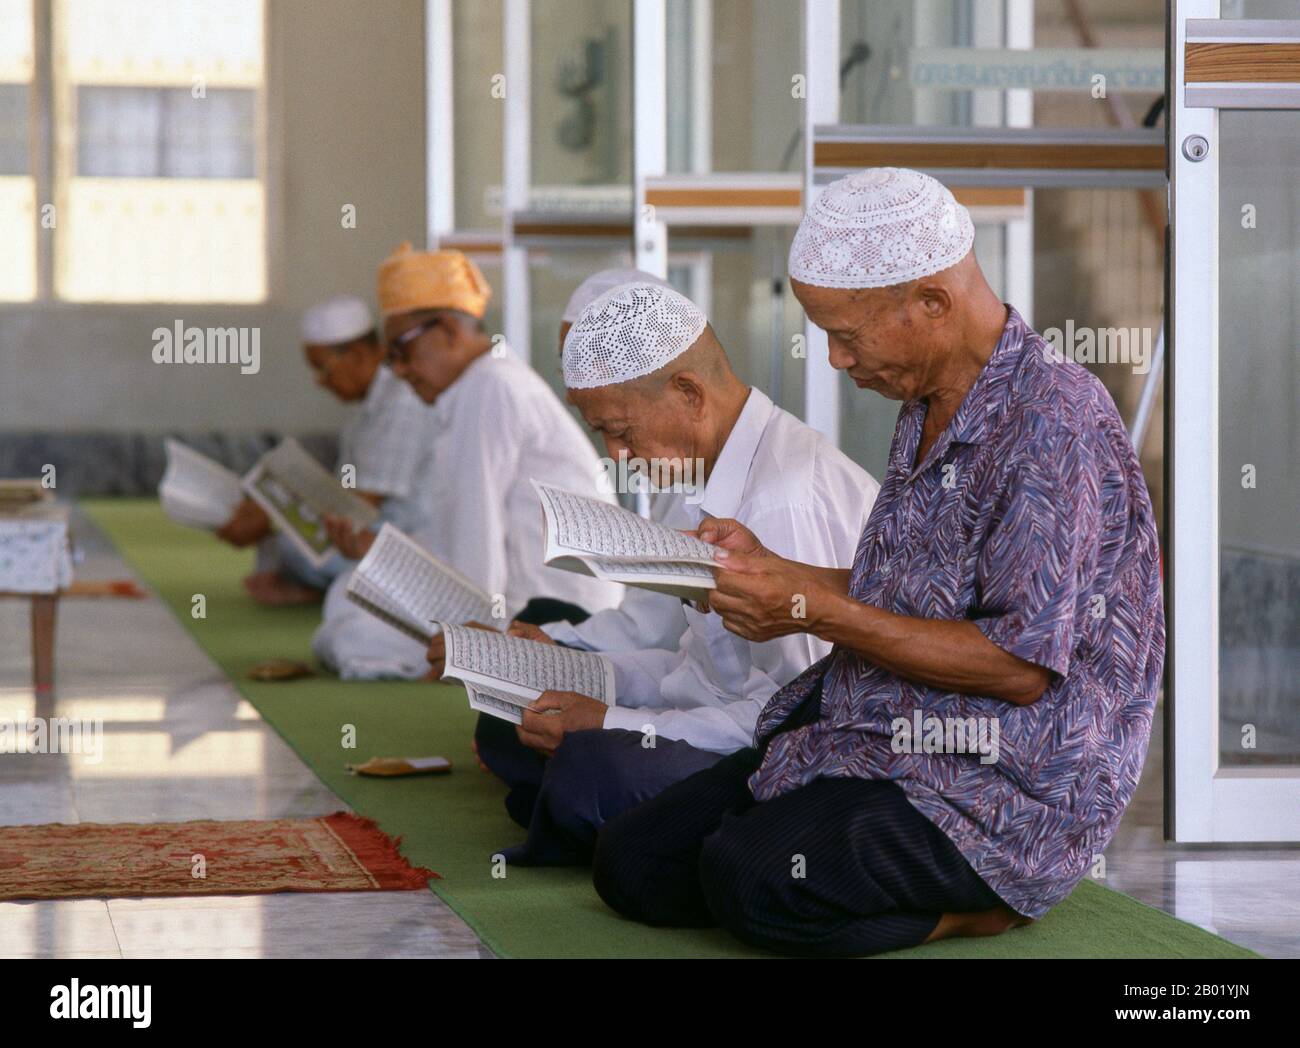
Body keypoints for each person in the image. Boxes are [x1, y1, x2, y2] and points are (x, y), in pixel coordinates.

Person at [592, 167, 1165, 957]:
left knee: (752, 880)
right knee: (633, 863)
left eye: (847, 334)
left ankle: (994, 901)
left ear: (932, 303)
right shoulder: (930, 398)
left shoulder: (1052, 423)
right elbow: (901, 595)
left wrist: (814, 608)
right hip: (880, 720)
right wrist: (782, 573)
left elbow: (1019, 667)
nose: (833, 359)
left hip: (1001, 773)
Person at [434, 282, 877, 864]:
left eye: (621, 431)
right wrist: (576, 671)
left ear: (689, 393)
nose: (617, 456)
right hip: (723, 722)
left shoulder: (781, 502)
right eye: (604, 436)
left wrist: (610, 720)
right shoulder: (705, 476)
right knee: (522, 712)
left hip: (796, 756)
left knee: (594, 768)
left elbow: (788, 724)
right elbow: (694, 670)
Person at [312, 245, 624, 679]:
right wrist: (375, 551)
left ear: (447, 330)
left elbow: (477, 547)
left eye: (400, 352)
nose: (398, 372)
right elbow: (456, 539)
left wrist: (468, 647)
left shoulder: (489, 388)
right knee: (347, 596)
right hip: (514, 600)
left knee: (352, 634)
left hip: (556, 614)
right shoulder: (478, 384)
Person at [216, 294, 431, 605]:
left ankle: (317, 590)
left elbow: (361, 507)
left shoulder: (401, 403)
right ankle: (318, 587)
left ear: (357, 355)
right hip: (373, 533)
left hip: (407, 543)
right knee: (283, 545)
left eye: (323, 368)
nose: (320, 382)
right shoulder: (367, 408)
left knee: (294, 550)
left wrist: (274, 506)